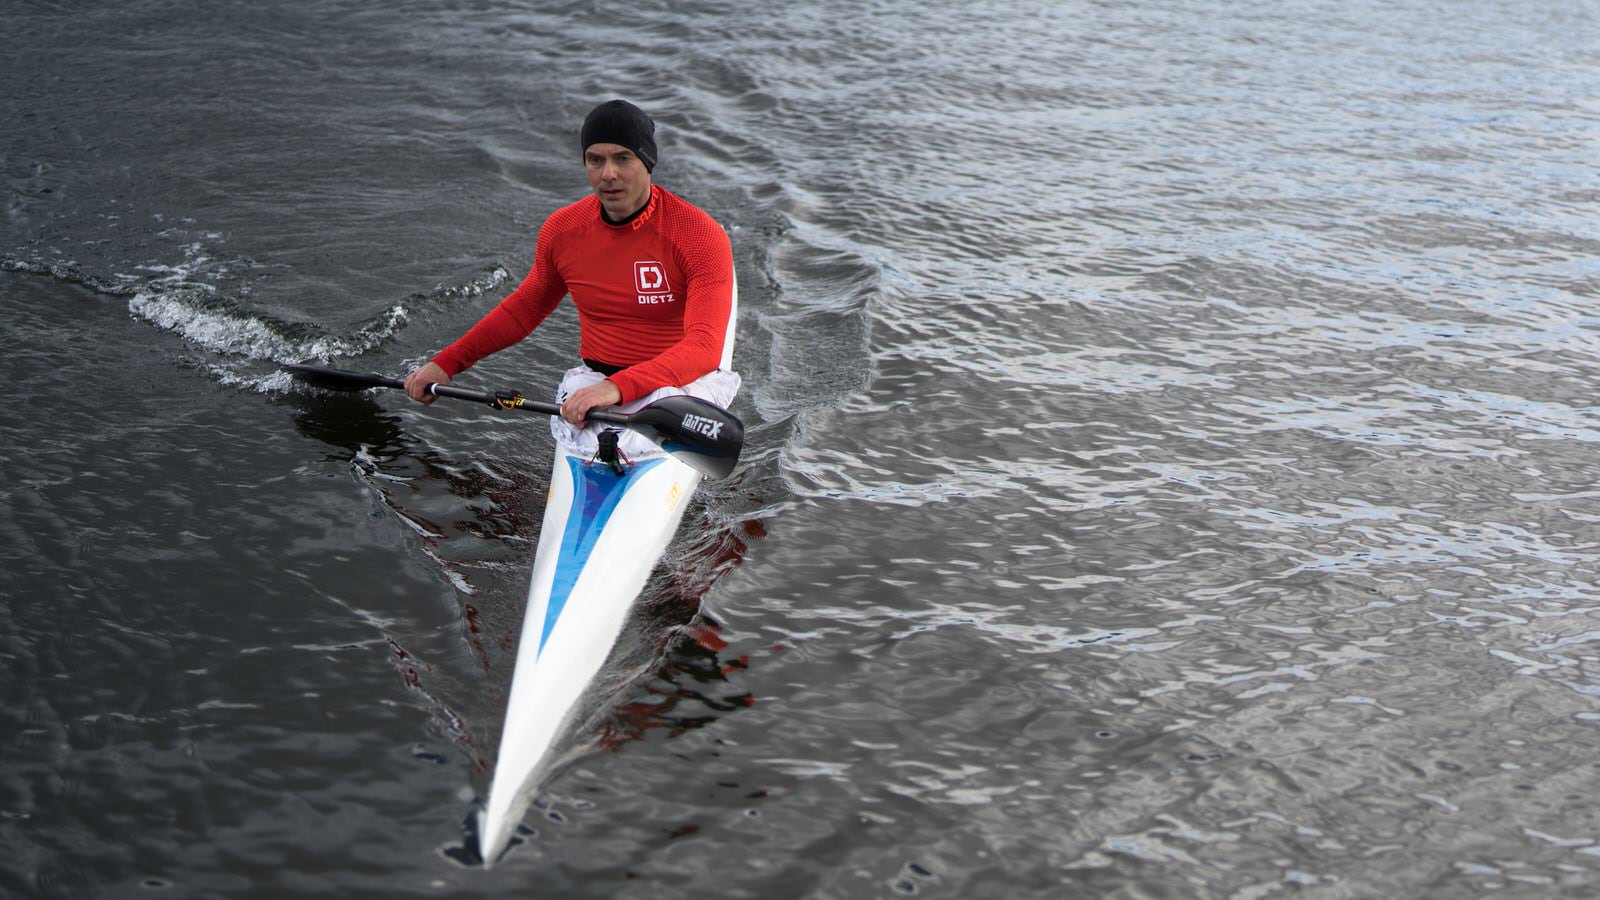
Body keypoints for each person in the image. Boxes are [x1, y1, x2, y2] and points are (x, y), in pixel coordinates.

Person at [403, 99, 738, 449]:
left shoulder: (699, 236)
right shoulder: (563, 230)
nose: (608, 173)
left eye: (622, 158)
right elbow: (522, 311)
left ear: (647, 162)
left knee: (634, 448)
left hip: (678, 385)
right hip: (593, 382)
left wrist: (617, 388)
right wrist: (445, 364)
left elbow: (703, 348)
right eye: (596, 160)